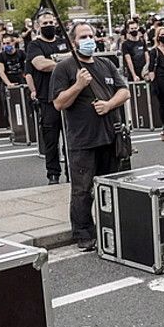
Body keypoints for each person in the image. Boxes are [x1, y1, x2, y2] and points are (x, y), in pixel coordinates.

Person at [50, 21, 130, 252]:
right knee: (82, 191)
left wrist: (109, 104)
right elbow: (58, 103)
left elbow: (123, 91)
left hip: (109, 137)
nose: (88, 40)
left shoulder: (106, 64)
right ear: (73, 42)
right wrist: (78, 85)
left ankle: (111, 226)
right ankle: (83, 233)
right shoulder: (64, 68)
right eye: (83, 37)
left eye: (91, 36)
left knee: (110, 187)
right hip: (83, 141)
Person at [25, 11, 70, 184]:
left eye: (51, 22)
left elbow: (74, 57)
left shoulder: (62, 41)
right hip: (47, 98)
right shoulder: (34, 45)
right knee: (51, 140)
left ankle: (71, 171)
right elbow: (40, 64)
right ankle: (53, 174)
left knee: (71, 138)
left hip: (67, 96)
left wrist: (54, 60)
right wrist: (62, 61)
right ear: (38, 26)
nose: (48, 26)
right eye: (44, 24)